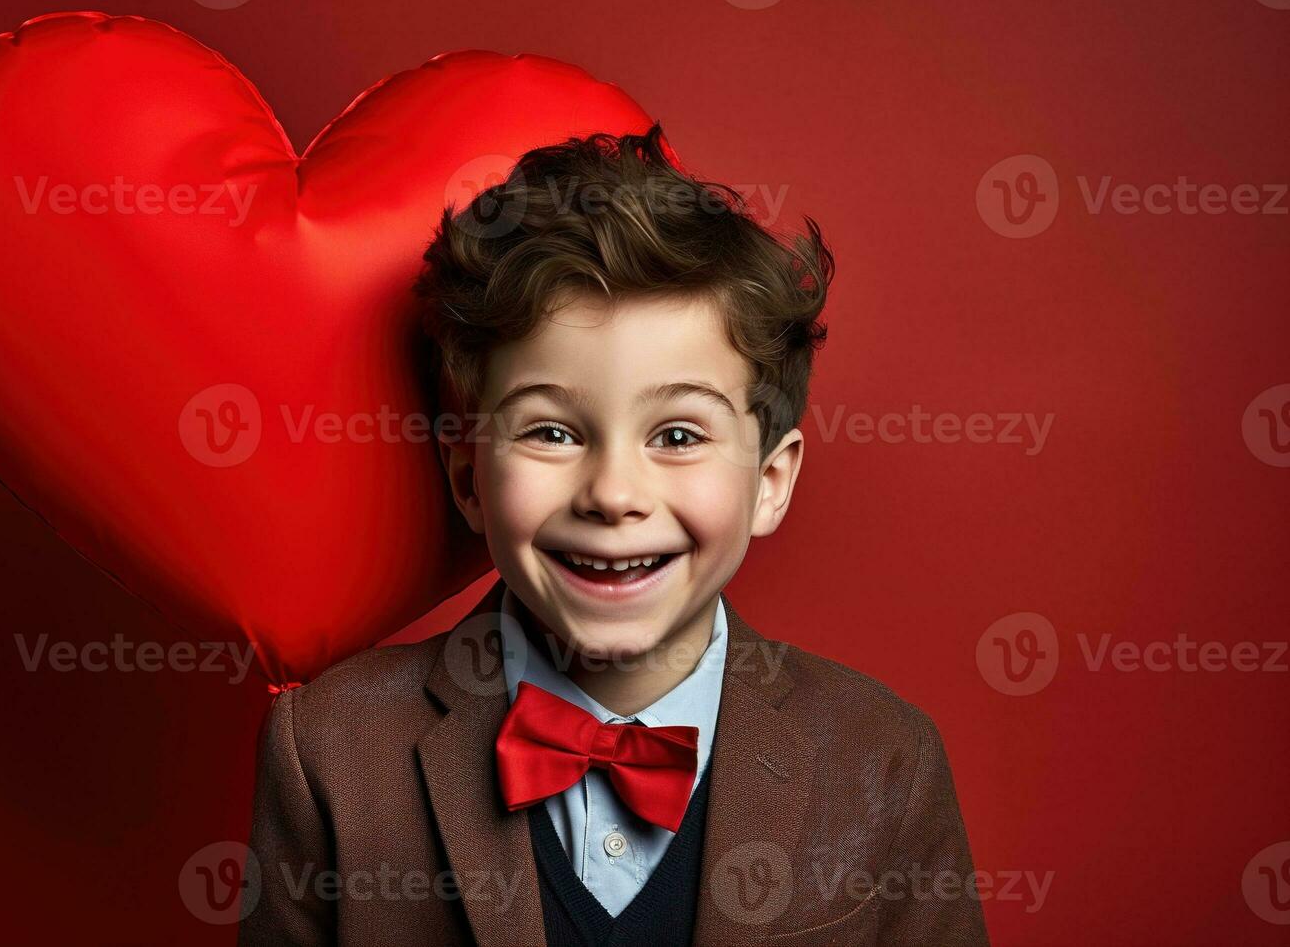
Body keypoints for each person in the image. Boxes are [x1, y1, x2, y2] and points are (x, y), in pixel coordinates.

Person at [239, 123, 989, 946]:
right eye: (552, 433)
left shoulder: (885, 760)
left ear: (770, 483)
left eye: (677, 435)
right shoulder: (331, 755)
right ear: (467, 481)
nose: (613, 494)